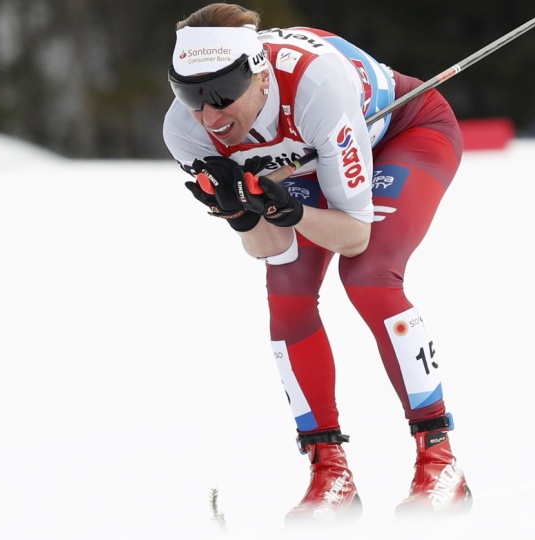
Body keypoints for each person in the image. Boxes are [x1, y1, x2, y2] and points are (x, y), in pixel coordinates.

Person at [162, 3, 471, 525]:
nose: (210, 115)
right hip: (305, 161)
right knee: (286, 293)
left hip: (403, 132)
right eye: (191, 96)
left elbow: (354, 237)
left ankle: (440, 459)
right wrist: (244, 212)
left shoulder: (315, 88)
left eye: (219, 93)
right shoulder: (187, 133)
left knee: (369, 276)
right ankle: (330, 471)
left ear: (258, 73)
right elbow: (269, 249)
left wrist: (289, 208)